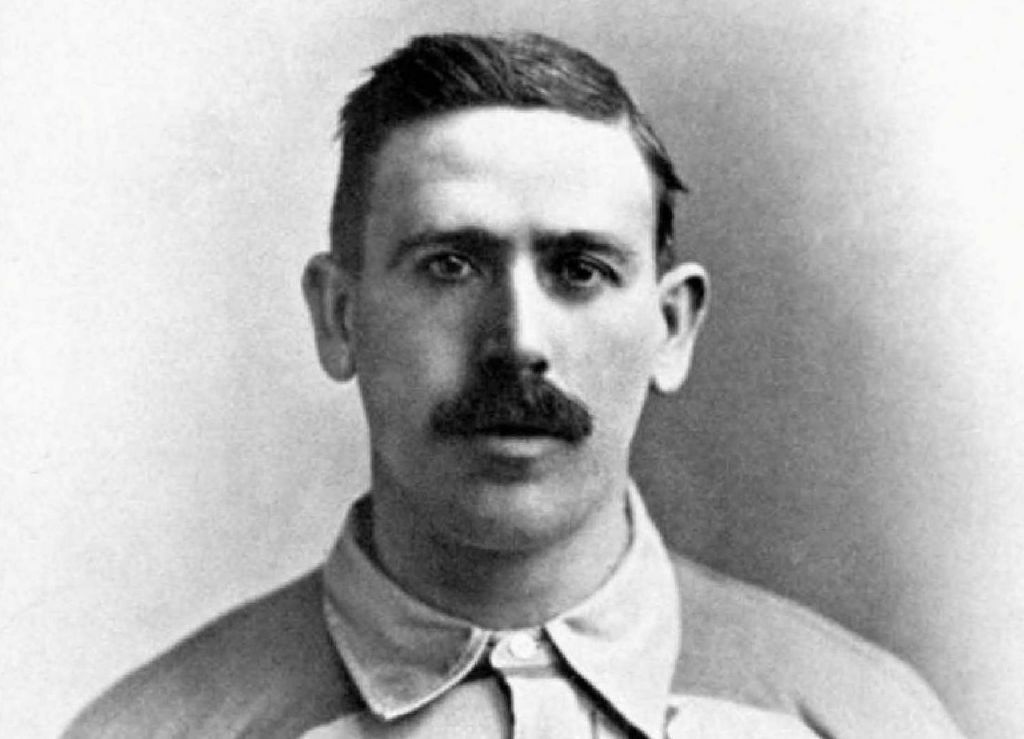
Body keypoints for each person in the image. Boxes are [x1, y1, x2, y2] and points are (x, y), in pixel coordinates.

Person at [65, 32, 964, 738]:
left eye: (580, 270)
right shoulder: (150, 729)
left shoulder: (862, 720)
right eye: (450, 265)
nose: (519, 341)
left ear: (672, 327)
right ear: (340, 317)